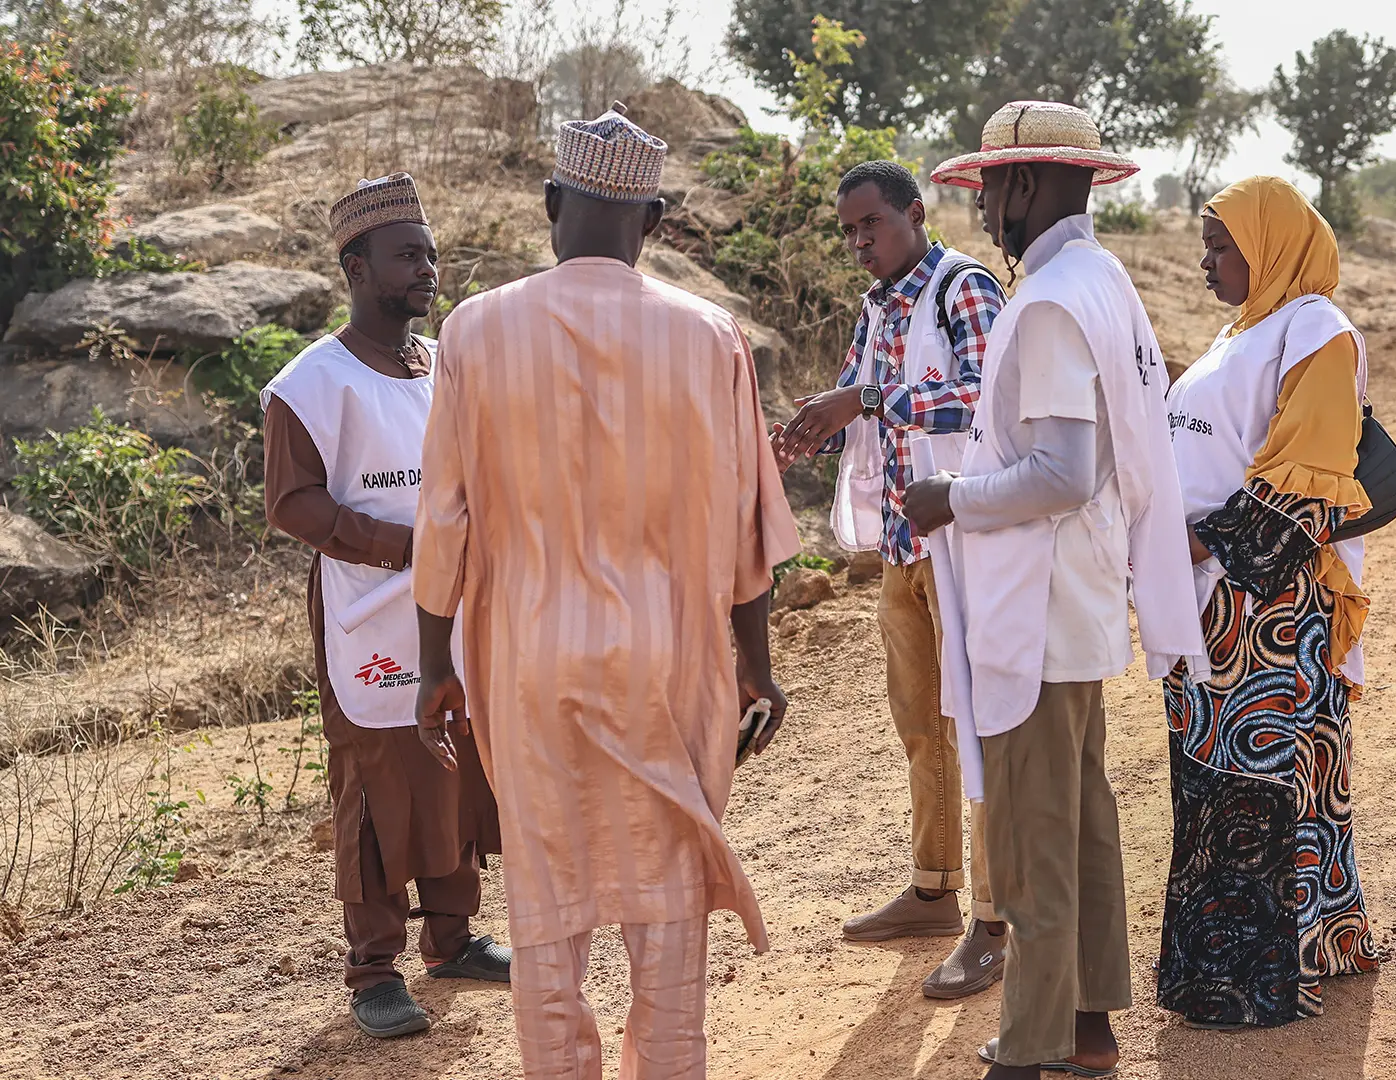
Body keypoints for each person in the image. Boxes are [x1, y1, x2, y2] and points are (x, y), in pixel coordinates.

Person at [408, 110, 800, 1080]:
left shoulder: (473, 328)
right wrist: (758, 670)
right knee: (667, 908)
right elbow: (754, 523)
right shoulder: (712, 337)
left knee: (549, 907)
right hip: (671, 666)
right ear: (656, 220)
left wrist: (432, 669)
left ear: (551, 206)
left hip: (531, 665)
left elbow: (444, 520)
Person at [907, 101, 1205, 1080]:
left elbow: (1061, 474)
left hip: (1032, 614)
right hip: (1073, 606)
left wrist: (949, 496)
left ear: (1027, 185)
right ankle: (1087, 1028)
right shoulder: (1101, 282)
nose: (985, 207)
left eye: (990, 188)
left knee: (1035, 842)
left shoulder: (1045, 304)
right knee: (1082, 826)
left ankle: (1026, 1050)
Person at [261, 173, 510, 1040]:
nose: (428, 269)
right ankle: (373, 971)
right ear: (356, 267)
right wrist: (407, 545)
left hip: (453, 608)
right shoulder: (310, 384)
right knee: (375, 786)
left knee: (453, 770)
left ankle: (453, 941)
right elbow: (291, 505)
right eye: (409, 255)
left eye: (432, 254)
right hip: (369, 613)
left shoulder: (443, 364)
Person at [770, 159, 1009, 999]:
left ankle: (996, 921)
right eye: (847, 232)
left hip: (965, 545)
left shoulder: (963, 288)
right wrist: (810, 426)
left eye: (870, 224)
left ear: (915, 213)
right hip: (905, 548)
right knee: (922, 722)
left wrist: (868, 400)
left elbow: (989, 400)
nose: (859, 242)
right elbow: (855, 399)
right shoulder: (878, 307)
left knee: (978, 730)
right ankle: (935, 890)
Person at [1156, 175, 1382, 1029]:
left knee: (1250, 783)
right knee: (1268, 775)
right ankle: (1320, 938)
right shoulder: (1245, 329)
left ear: (1272, 246)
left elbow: (1302, 490)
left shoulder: (1317, 332)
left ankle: (1243, 976)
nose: (1208, 261)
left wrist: (1179, 548)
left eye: (1222, 247)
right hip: (1216, 595)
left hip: (1263, 606)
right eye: (1208, 245)